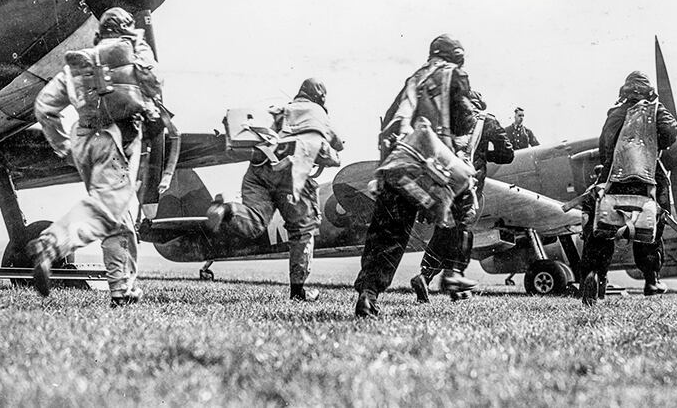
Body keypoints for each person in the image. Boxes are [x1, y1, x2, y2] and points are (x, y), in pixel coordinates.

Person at [30, 7, 160, 307]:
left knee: (121, 217)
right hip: (117, 141)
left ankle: (122, 290)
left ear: (100, 34)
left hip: (84, 141)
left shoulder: (79, 65)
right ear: (127, 31)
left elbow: (44, 108)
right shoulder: (132, 56)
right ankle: (52, 244)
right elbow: (154, 86)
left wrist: (62, 145)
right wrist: (141, 47)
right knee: (107, 209)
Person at [353, 34, 477, 318]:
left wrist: (382, 172)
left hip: (398, 165)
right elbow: (464, 119)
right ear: (457, 55)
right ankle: (453, 273)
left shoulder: (413, 79)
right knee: (464, 207)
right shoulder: (453, 75)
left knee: (388, 233)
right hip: (432, 165)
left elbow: (390, 122)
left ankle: (368, 294)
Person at [206, 78, 343, 302]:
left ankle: (227, 210)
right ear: (320, 98)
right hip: (289, 177)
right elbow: (330, 150)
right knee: (303, 231)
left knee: (256, 222)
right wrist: (334, 157)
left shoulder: (281, 111)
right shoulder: (317, 113)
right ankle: (298, 292)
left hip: (258, 171)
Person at [579, 71, 677, 302]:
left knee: (599, 224)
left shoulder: (615, 112)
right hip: (648, 177)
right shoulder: (655, 110)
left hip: (613, 175)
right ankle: (652, 279)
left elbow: (605, 145)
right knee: (654, 222)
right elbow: (670, 133)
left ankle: (595, 276)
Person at [410, 91, 514, 302]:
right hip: (469, 183)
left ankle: (427, 277)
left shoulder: (445, 122)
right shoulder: (487, 121)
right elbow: (508, 154)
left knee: (446, 231)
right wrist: (485, 154)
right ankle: (453, 281)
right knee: (463, 229)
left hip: (444, 185)